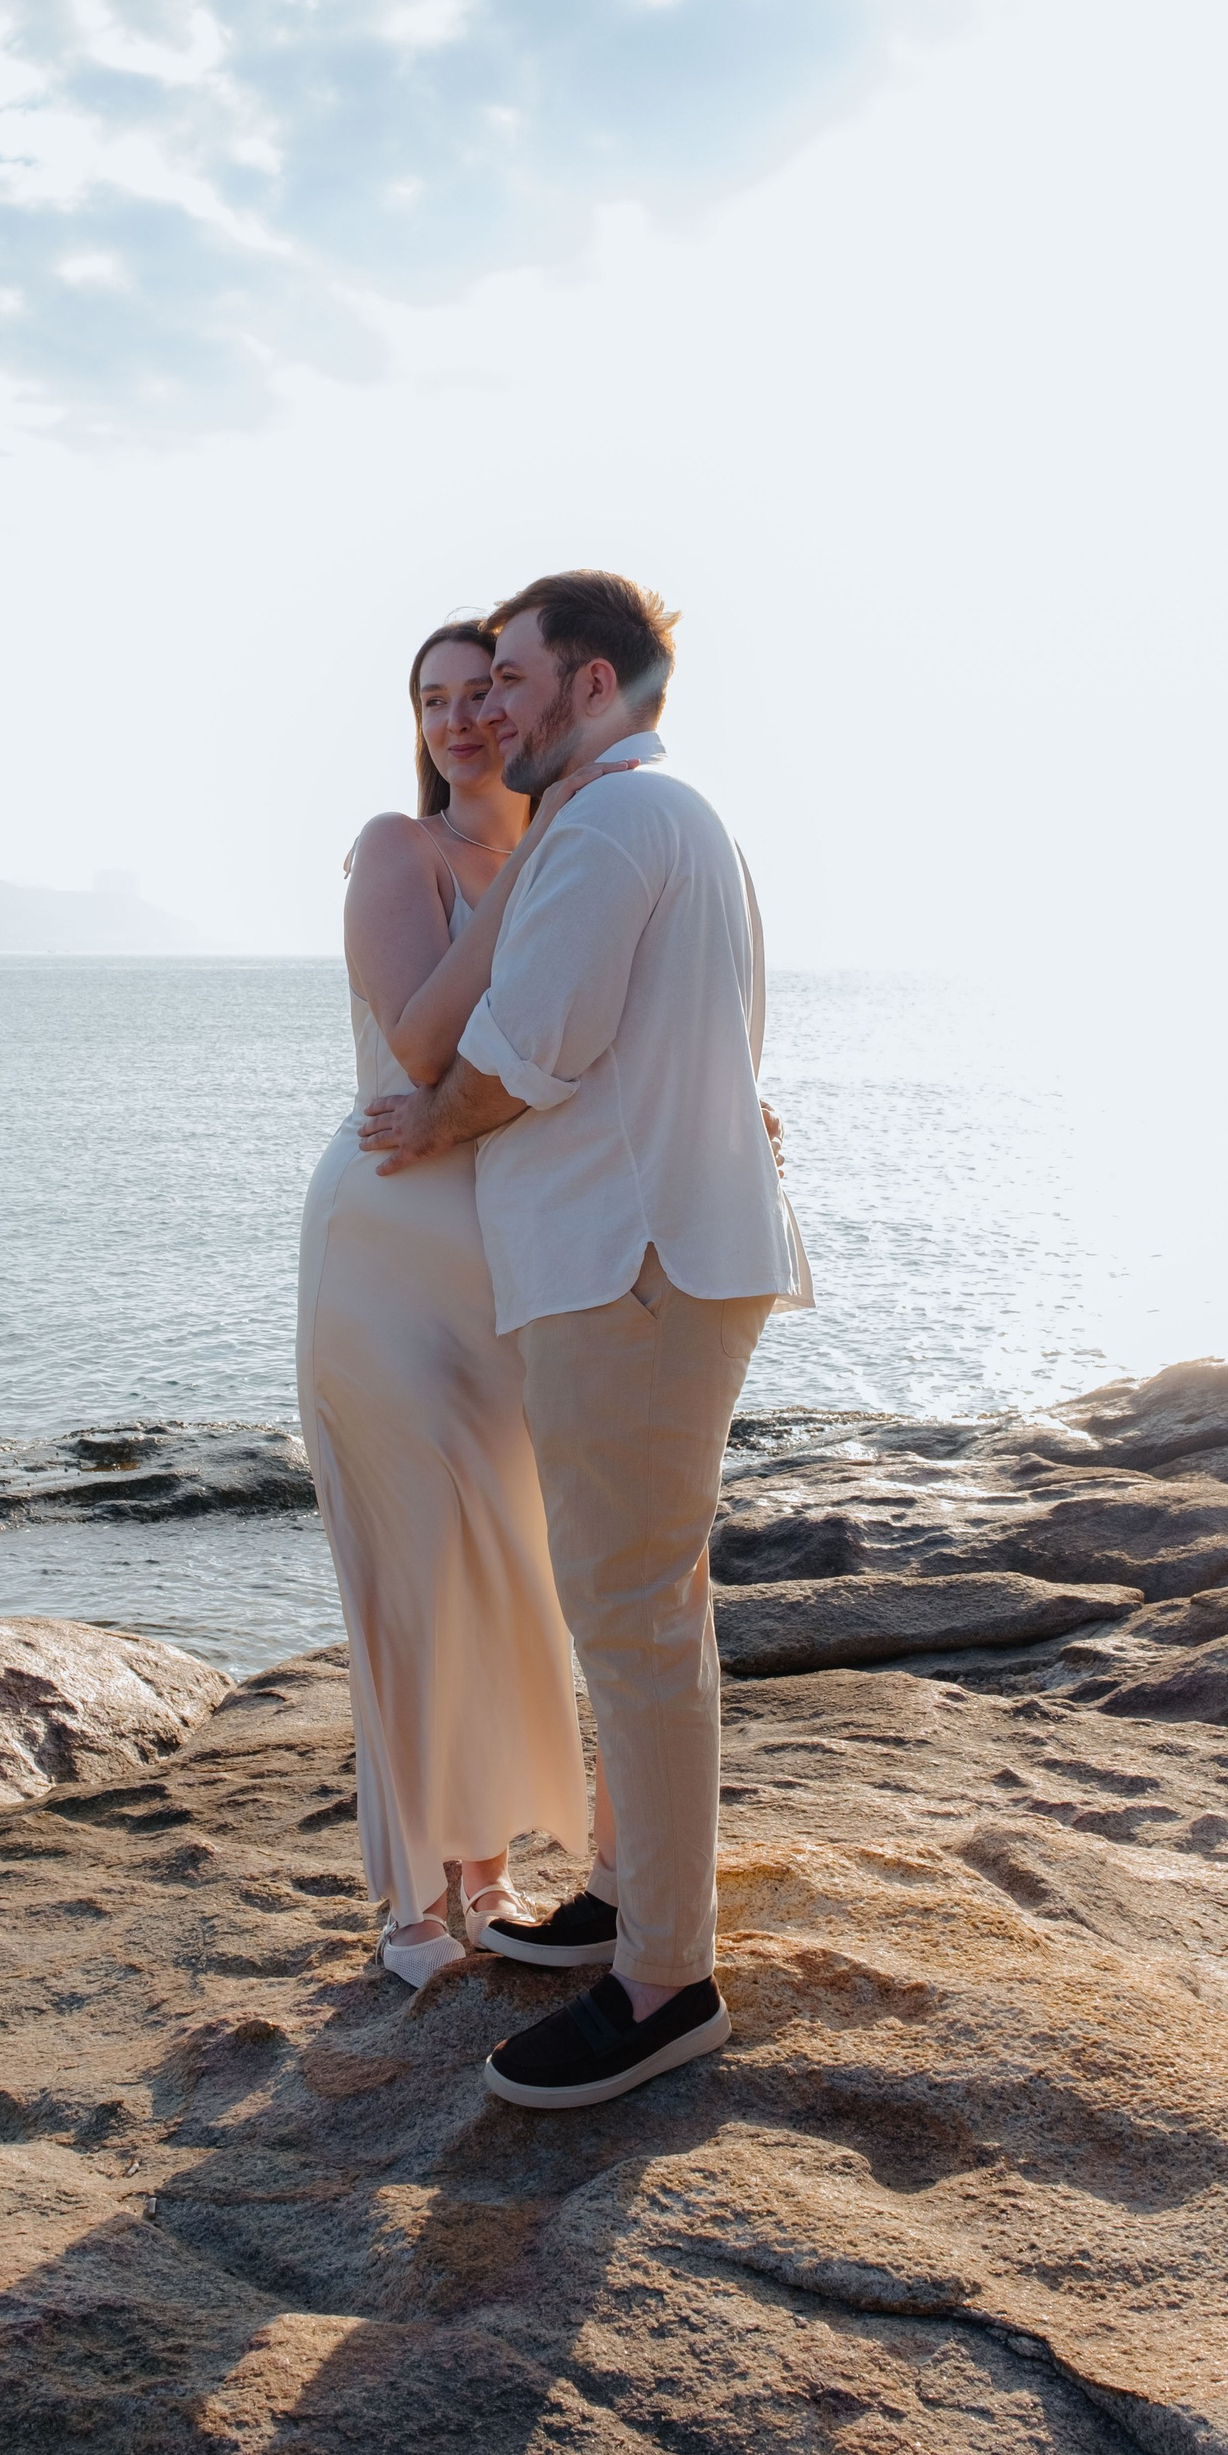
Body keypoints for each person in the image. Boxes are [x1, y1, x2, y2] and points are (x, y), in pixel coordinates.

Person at [360, 570, 809, 2110]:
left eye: (523, 674)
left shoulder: (613, 823)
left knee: (626, 1610)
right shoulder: (659, 816)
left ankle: (665, 1983)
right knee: (643, 1601)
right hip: (651, 1250)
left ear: (594, 685)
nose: (498, 703)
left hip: (629, 1262)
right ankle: (632, 1897)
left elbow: (525, 1050)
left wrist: (431, 1114)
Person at [295, 619, 609, 1989]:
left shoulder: (573, 855)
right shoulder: (399, 849)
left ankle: (486, 1878)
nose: (460, 720)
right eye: (434, 700)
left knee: (503, 1556)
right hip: (384, 1241)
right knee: (413, 1560)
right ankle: (409, 1905)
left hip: (508, 1252)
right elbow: (420, 1037)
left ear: (525, 703)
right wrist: (537, 858)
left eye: (484, 693)